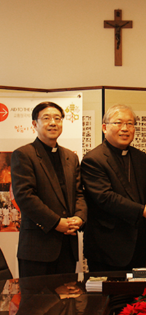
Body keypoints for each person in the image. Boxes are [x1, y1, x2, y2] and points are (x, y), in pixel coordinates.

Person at [81, 105, 146, 272]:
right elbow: (106, 198)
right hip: (107, 248)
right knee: (109, 297)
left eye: (130, 124)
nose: (125, 129)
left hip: (140, 246)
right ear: (104, 128)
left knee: (138, 297)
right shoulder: (94, 159)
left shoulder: (140, 157)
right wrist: (143, 210)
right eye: (118, 123)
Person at [11, 101, 87, 278]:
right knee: (37, 303)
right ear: (34, 124)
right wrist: (55, 223)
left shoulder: (71, 157)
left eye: (57, 118)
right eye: (46, 118)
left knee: (67, 303)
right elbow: (25, 197)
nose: (53, 123)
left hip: (68, 246)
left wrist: (79, 217)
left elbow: (79, 193)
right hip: (37, 249)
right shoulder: (24, 154)